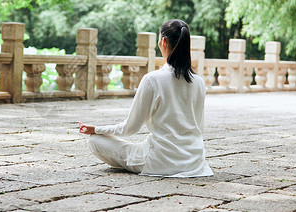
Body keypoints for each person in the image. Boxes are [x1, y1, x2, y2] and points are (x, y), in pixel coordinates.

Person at [79, 19, 213, 177]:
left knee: (95, 141)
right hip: (194, 162)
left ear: (163, 41)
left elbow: (130, 128)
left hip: (160, 160)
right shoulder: (199, 82)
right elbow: (199, 128)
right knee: (134, 146)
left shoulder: (152, 80)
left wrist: (96, 129)